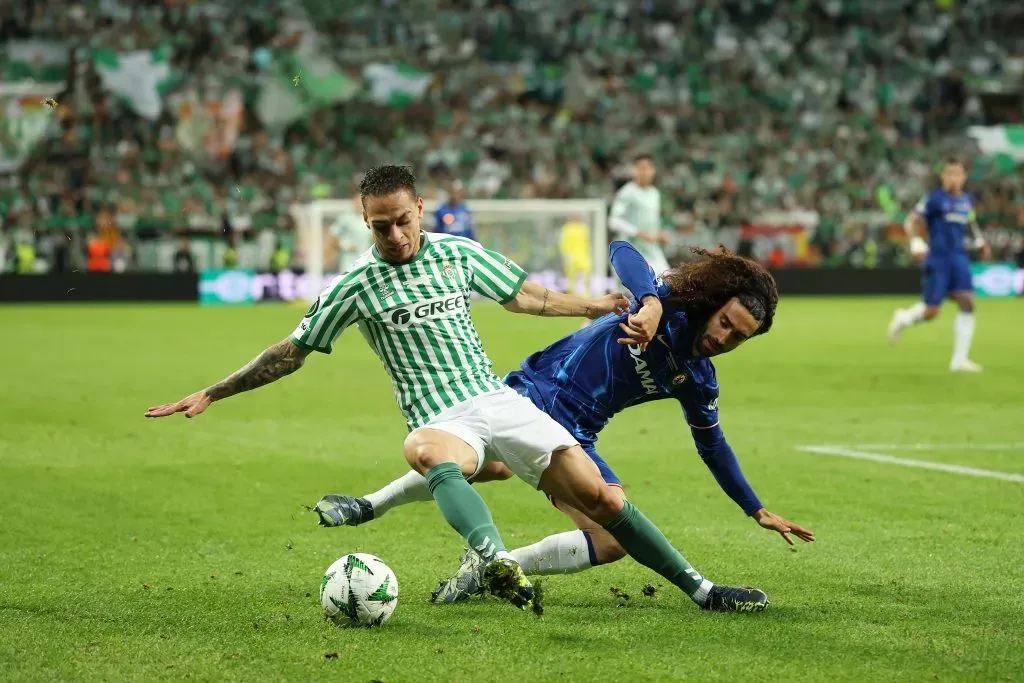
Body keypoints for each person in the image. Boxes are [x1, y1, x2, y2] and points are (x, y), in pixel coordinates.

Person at [145, 164, 628, 614]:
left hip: (498, 399)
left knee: (514, 477)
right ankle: (491, 559)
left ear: (420, 209)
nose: (394, 236)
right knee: (485, 468)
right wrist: (215, 391)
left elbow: (524, 295)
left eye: (402, 221)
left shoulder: (458, 252)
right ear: (364, 220)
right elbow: (292, 352)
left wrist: (589, 307)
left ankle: (415, 528)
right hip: (439, 418)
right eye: (380, 227)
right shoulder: (354, 284)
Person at [315, 238, 814, 612]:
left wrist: (756, 508)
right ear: (713, 306)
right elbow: (623, 251)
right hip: (528, 397)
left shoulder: (696, 379)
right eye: (725, 323)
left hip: (575, 434)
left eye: (739, 338)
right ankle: (370, 505)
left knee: (610, 537)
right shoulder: (668, 308)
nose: (724, 339)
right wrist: (653, 302)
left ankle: (493, 568)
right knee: (483, 465)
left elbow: (713, 446)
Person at [887, 159, 992, 372]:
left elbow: (970, 223)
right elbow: (912, 221)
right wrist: (916, 243)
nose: (954, 178)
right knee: (932, 311)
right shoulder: (934, 199)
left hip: (959, 257)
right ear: (943, 176)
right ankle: (903, 318)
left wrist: (980, 242)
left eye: (958, 174)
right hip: (938, 258)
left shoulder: (966, 200)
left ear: (963, 177)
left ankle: (959, 360)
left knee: (967, 302)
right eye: (949, 173)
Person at [609, 154, 669, 276]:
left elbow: (652, 221)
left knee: (668, 281)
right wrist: (639, 233)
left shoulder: (654, 193)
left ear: (653, 171)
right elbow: (614, 221)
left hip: (652, 249)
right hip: (631, 249)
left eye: (648, 168)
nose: (645, 172)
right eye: (641, 168)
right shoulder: (627, 192)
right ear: (634, 170)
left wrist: (659, 234)